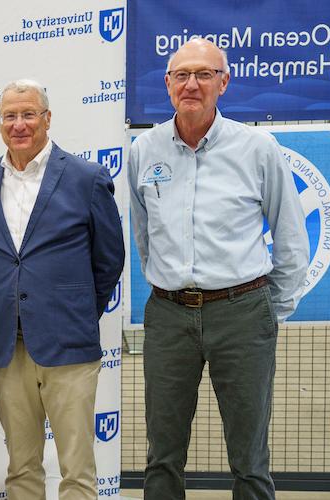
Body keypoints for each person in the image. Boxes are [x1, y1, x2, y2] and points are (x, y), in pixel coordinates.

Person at [128, 39, 310, 500]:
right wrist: (169, 284)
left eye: (204, 75)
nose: (191, 84)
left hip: (242, 312)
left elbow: (290, 236)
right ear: (167, 84)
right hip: (168, 316)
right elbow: (143, 234)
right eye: (181, 75)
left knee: (250, 459)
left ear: (223, 83)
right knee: (162, 455)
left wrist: (270, 311)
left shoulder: (257, 148)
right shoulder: (143, 150)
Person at [0, 79, 124, 500]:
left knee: (77, 470)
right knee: (20, 468)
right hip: (7, 344)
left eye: (28, 114)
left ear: (47, 118)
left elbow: (109, 259)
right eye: (10, 116)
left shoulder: (86, 177)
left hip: (69, 344)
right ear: (0, 122)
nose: (19, 125)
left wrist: (74, 311)